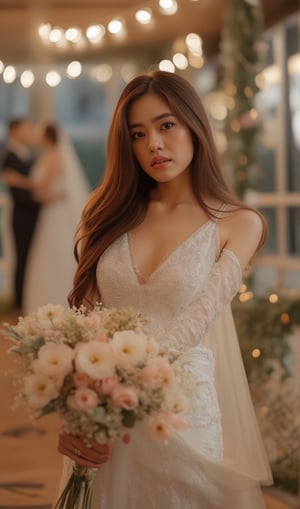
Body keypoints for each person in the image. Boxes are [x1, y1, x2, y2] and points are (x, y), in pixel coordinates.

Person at [56, 71, 272, 508]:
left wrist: (120, 388)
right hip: (103, 410)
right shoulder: (104, 213)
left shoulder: (238, 222)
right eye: (138, 133)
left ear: (195, 125)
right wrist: (77, 409)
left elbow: (198, 318)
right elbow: (84, 325)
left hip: (181, 411)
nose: (153, 143)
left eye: (166, 125)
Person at [23, 122, 90, 313]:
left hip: (54, 211)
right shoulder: (49, 155)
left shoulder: (54, 157)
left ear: (46, 137)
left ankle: (58, 302)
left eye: (39, 133)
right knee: (49, 255)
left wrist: (20, 182)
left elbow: (45, 187)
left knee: (56, 254)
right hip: (50, 212)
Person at [1, 118, 41, 312]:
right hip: (23, 215)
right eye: (26, 129)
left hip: (34, 214)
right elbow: (19, 193)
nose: (29, 132)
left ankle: (29, 296)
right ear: (15, 130)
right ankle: (19, 302)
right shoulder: (8, 156)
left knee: (32, 257)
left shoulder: (28, 153)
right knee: (22, 256)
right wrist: (40, 200)